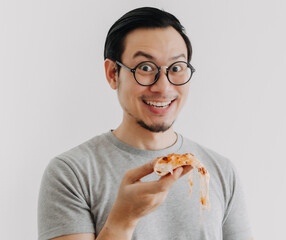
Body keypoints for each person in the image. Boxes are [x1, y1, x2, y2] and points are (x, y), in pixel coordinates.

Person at [38, 7, 253, 240]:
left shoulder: (220, 171)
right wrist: (122, 222)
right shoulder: (71, 173)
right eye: (145, 68)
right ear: (113, 74)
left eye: (176, 68)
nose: (163, 87)